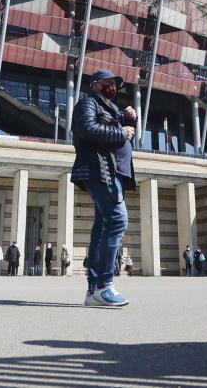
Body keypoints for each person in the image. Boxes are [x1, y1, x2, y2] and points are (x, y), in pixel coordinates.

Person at [71, 68, 137, 308]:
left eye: (116, 84)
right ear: (96, 84)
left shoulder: (112, 110)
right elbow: (87, 129)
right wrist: (121, 130)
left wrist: (129, 121)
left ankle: (93, 291)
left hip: (112, 172)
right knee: (118, 221)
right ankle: (104, 286)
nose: (114, 87)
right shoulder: (87, 103)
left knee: (102, 229)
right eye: (109, 83)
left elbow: (122, 137)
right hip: (100, 170)